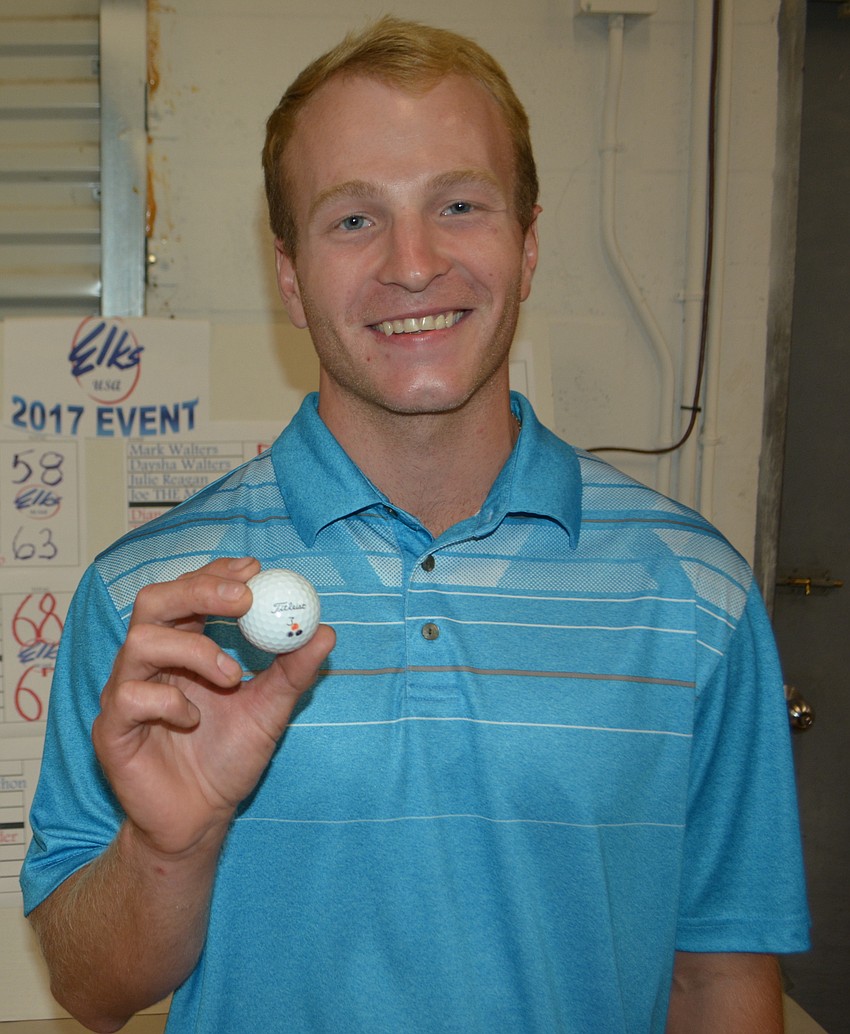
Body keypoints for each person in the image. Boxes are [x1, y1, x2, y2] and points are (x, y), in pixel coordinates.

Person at [21, 15, 809, 1034]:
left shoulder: (696, 591)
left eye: (460, 204)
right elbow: (88, 987)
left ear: (527, 245)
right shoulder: (155, 603)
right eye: (353, 219)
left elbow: (717, 979)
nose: (412, 260)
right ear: (291, 277)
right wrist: (171, 846)